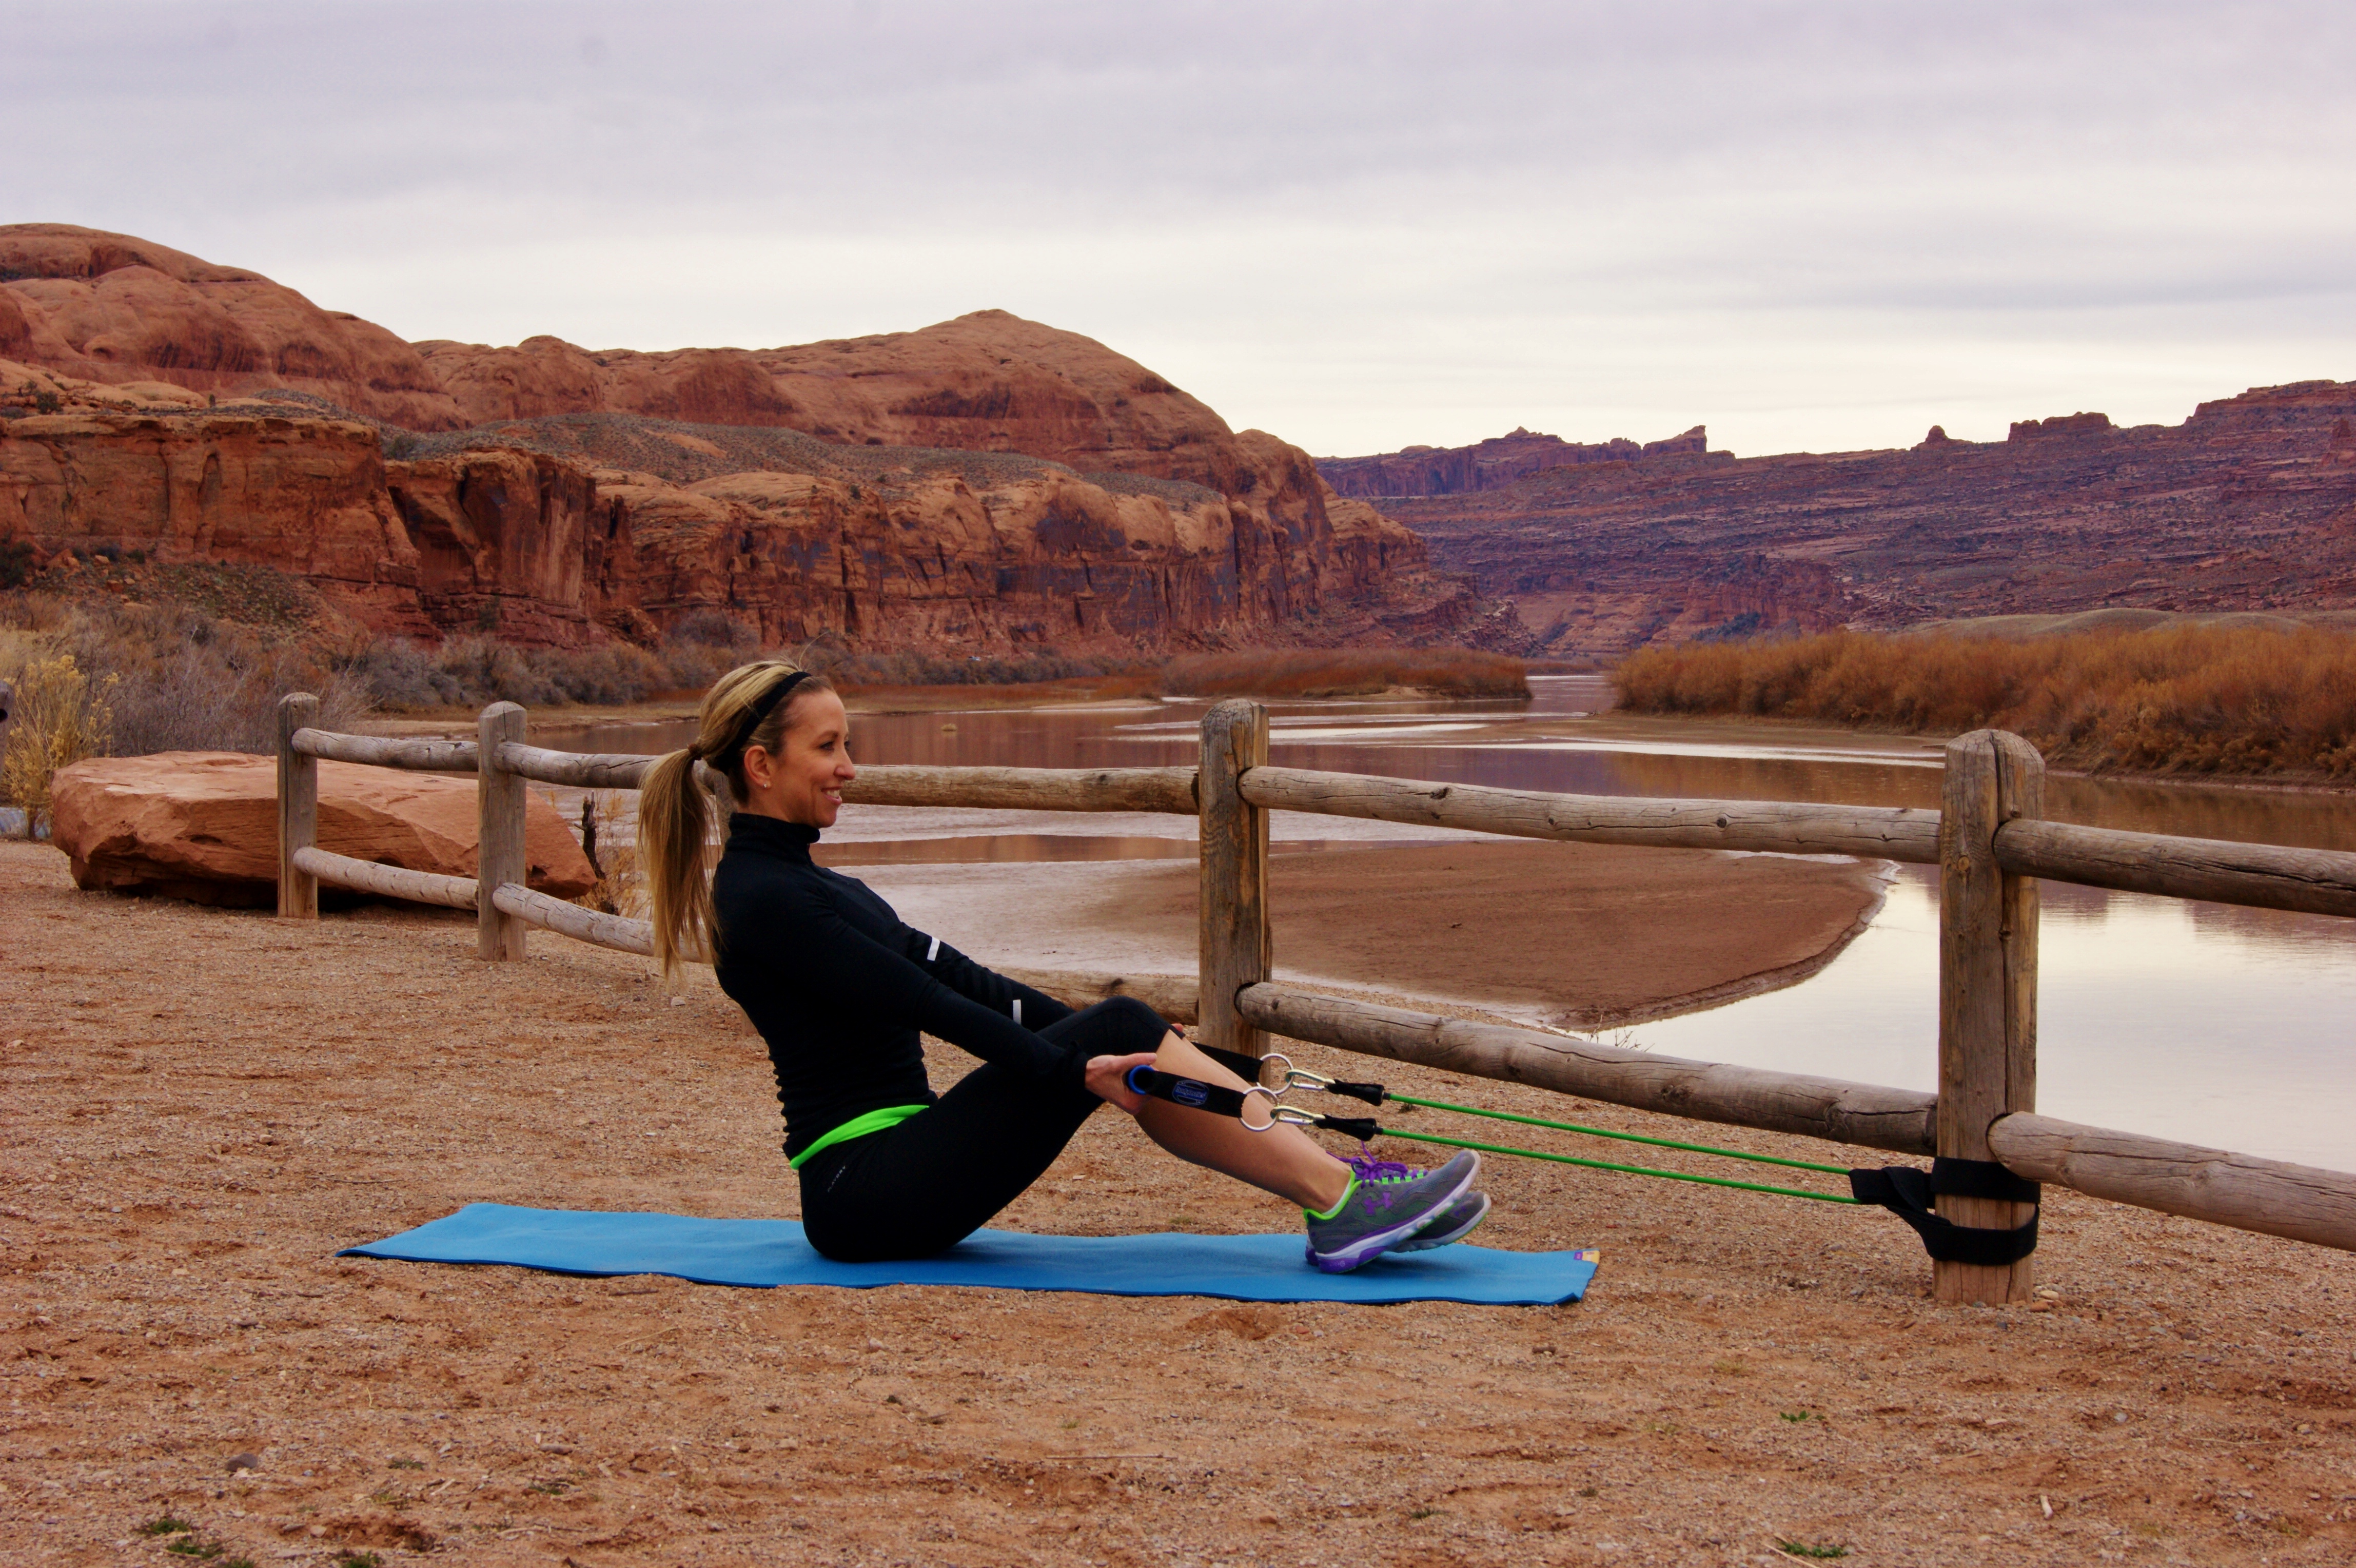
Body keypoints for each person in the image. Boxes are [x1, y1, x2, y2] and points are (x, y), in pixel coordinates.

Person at [640, 660, 1490, 1271]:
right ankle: (1340, 1202)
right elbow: (926, 1002)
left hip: (901, 1167)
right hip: (859, 1192)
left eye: (846, 744)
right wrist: (1072, 1069)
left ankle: (1339, 1191)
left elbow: (966, 980)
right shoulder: (761, 899)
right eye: (828, 747)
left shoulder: (821, 887)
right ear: (762, 765)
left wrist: (1148, 1048)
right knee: (1111, 1029)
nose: (849, 767)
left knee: (1121, 1024)